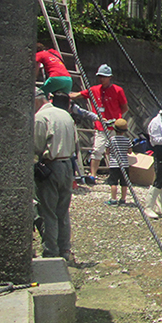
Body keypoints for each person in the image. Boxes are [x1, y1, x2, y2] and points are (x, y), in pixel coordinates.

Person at [34, 91, 77, 262]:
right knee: (62, 210)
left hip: (51, 165)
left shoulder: (41, 117)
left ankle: (51, 251)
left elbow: (36, 146)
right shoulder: (66, 115)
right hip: (67, 164)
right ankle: (65, 249)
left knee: (48, 211)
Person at [70, 64, 128, 182]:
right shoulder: (94, 90)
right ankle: (93, 175)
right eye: (100, 76)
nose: (102, 79)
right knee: (97, 150)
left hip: (115, 128)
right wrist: (63, 95)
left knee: (116, 153)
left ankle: (115, 176)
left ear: (110, 77)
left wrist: (117, 119)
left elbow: (125, 107)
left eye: (104, 76)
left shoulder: (118, 90)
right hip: (101, 127)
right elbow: (77, 95)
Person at [105, 118, 131, 206]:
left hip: (114, 164)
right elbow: (130, 151)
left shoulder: (111, 139)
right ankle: (123, 199)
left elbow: (107, 151)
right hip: (124, 164)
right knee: (124, 183)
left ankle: (113, 199)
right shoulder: (127, 140)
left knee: (113, 183)